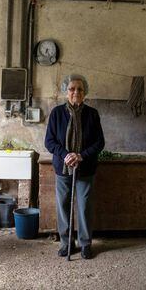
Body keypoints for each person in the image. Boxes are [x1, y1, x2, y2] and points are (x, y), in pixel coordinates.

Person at [45, 74, 105, 259]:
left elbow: (99, 142)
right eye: (72, 89)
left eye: (79, 89)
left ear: (84, 92)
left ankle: (85, 243)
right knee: (63, 206)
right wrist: (66, 155)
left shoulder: (92, 114)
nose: (76, 92)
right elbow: (50, 141)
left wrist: (81, 156)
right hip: (63, 169)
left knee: (85, 206)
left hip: (85, 168)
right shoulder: (56, 113)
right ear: (66, 92)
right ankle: (66, 243)